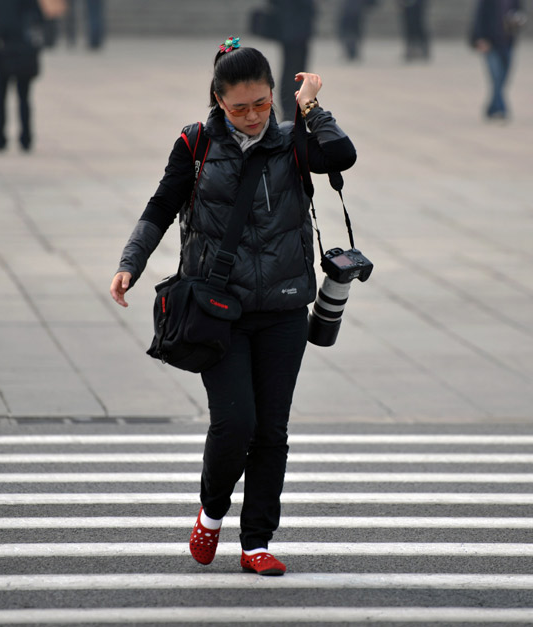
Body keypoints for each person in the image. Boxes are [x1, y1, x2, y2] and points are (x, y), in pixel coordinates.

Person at [109, 38, 356, 575]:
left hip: (285, 309)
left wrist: (310, 106)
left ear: (275, 95)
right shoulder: (196, 145)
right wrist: (132, 261)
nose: (251, 117)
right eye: (238, 107)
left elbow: (342, 155)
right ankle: (213, 509)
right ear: (218, 100)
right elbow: (161, 205)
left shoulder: (295, 142)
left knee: (272, 429)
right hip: (218, 309)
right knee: (235, 422)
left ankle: (257, 542)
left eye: (262, 104)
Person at [0, 0, 45, 152]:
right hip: (20, 48)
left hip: (2, 47)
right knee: (22, 97)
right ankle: (25, 138)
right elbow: (38, 16)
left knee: (1, 95)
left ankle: (0, 138)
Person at [470, 0, 525, 121]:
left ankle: (491, 108)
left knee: (503, 77)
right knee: (496, 76)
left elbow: (520, 13)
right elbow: (479, 17)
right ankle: (501, 109)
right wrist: (479, 38)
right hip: (490, 43)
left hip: (507, 42)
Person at [266, 0, 316, 121]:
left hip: (293, 24)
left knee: (293, 68)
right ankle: (290, 109)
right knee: (293, 70)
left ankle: (291, 109)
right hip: (294, 25)